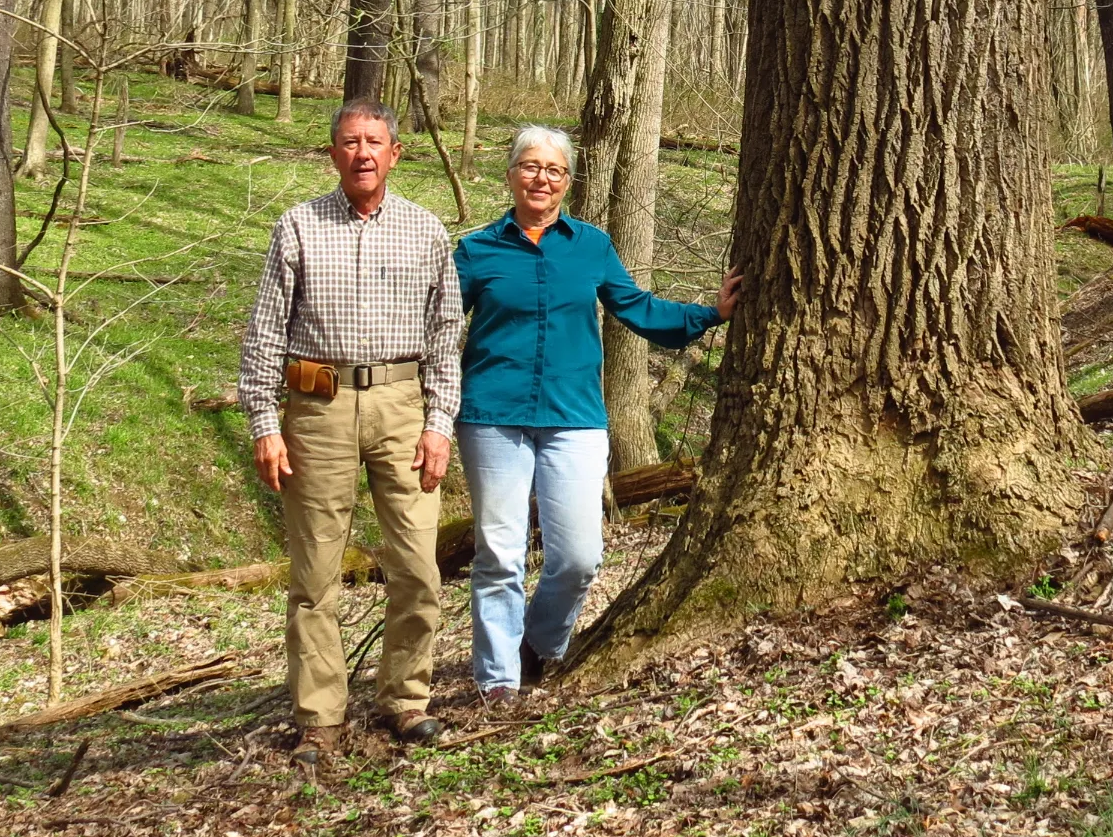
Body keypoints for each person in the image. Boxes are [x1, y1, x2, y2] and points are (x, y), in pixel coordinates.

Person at [452, 125, 743, 698]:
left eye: (554, 169)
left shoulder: (591, 245)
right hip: (492, 417)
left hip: (575, 418)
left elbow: (635, 307)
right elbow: (434, 327)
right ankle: (497, 682)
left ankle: (540, 644)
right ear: (511, 174)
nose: (542, 177)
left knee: (580, 556)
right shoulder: (476, 250)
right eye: (530, 166)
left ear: (567, 181)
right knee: (500, 555)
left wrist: (709, 313)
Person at [237, 101, 460, 765]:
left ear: (395, 153)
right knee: (315, 573)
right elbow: (264, 334)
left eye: (375, 142)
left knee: (418, 564)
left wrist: (440, 423)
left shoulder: (425, 232)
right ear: (331, 154)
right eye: (349, 142)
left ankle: (407, 699)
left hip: (402, 403)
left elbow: (447, 339)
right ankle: (319, 717)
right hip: (318, 406)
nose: (362, 153)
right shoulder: (298, 226)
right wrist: (262, 423)